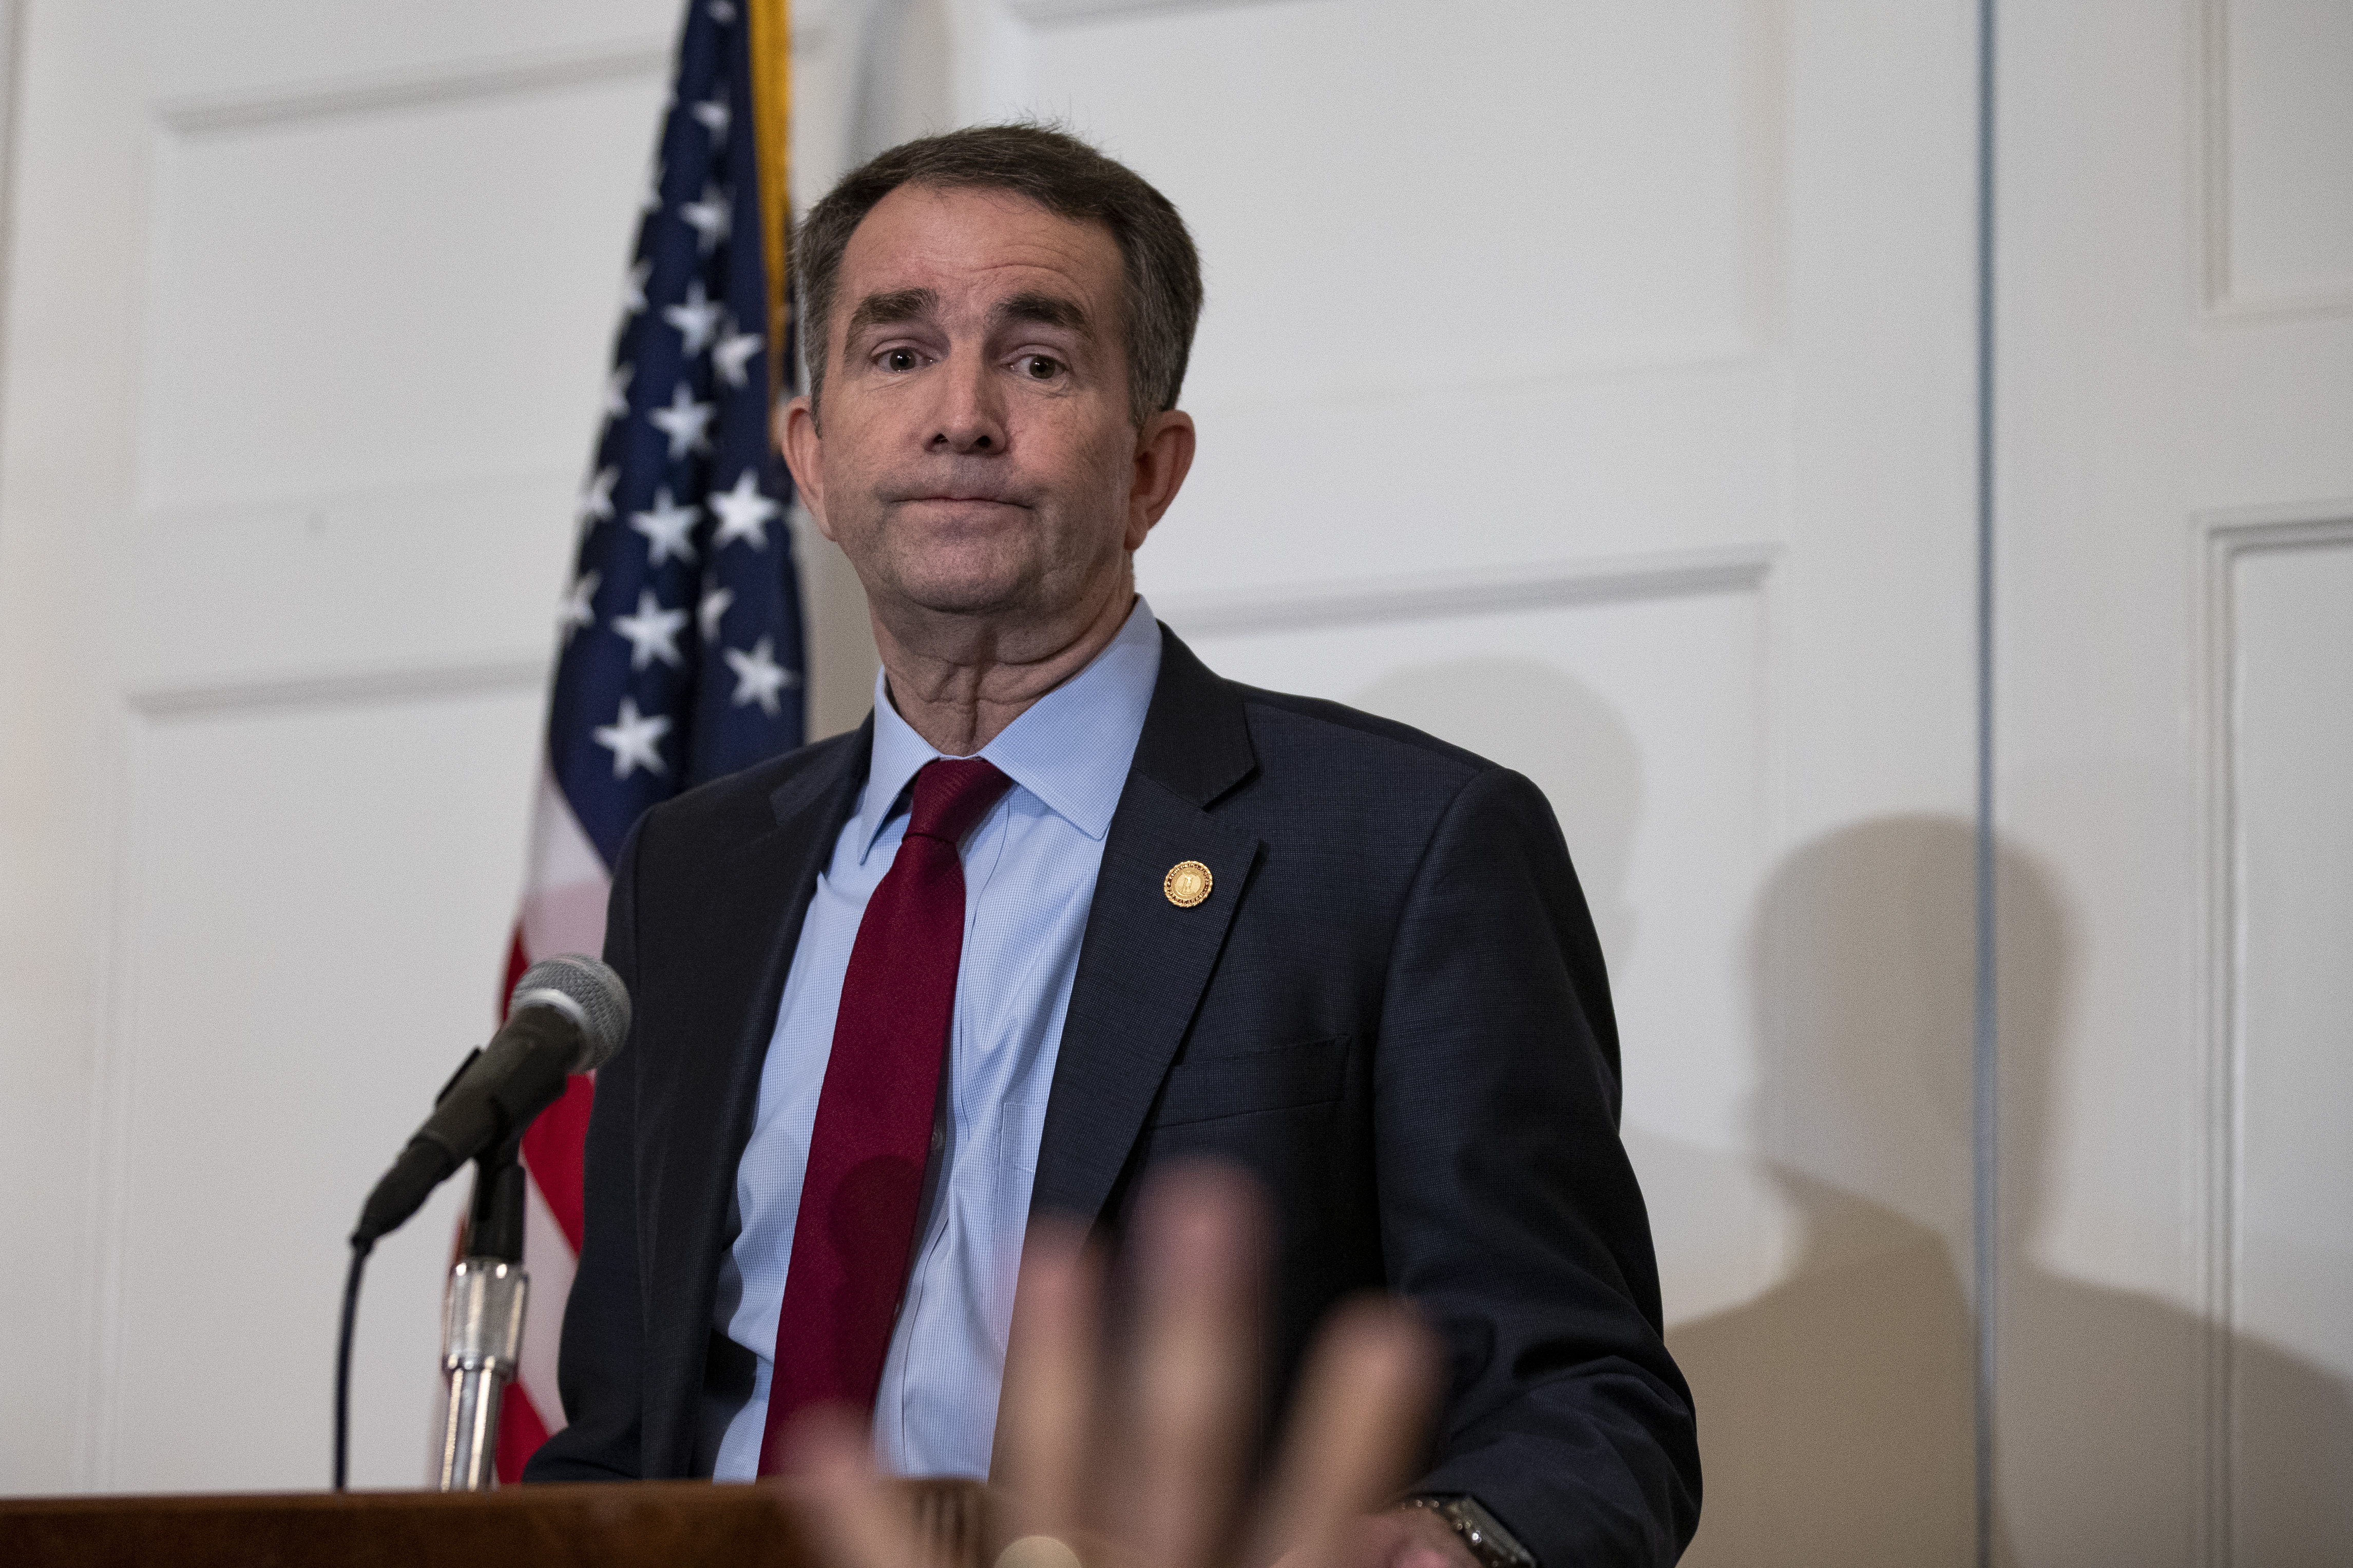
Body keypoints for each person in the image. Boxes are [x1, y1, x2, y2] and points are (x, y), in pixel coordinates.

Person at [525, 123, 1701, 1567]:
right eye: (898, 355)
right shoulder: (695, 871)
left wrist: (1443, 1547)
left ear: (1152, 467)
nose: (960, 416)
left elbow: (1585, 1403)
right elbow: (622, 1419)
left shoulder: (1408, 850)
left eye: (1037, 361)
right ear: (812, 460)